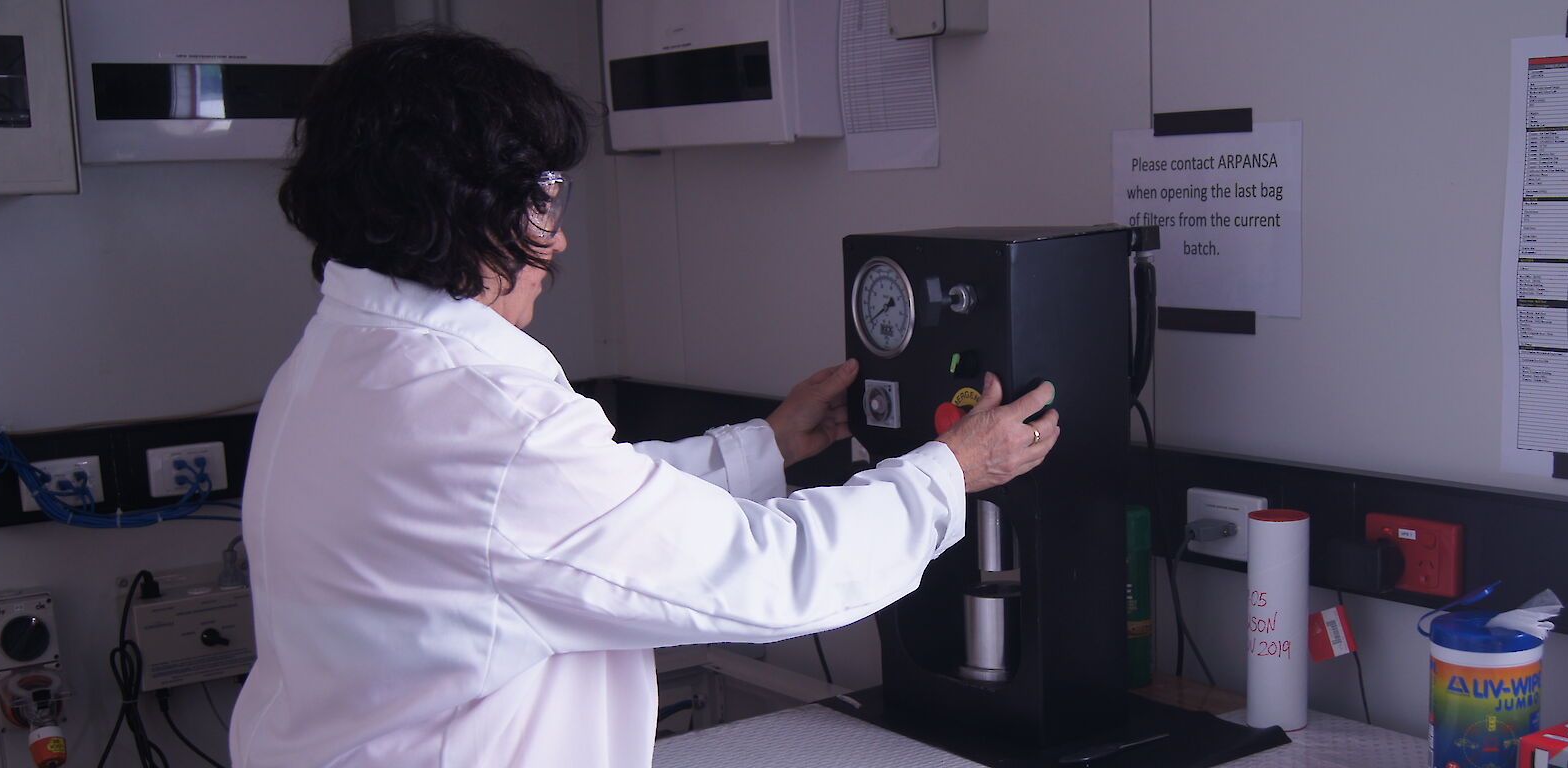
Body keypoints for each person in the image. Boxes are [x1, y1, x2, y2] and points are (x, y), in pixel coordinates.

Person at [230, 29, 1060, 768]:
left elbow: (551, 519)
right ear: (466, 206)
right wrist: (949, 472)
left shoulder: (341, 361)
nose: (556, 238)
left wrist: (765, 446)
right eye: (543, 195)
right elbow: (765, 574)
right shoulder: (481, 411)